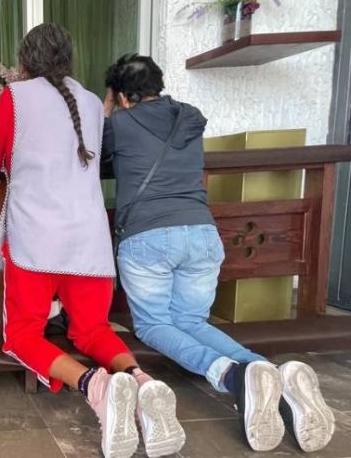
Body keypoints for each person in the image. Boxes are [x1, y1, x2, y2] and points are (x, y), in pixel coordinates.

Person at [102, 53, 335, 453]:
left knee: (154, 325)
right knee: (191, 321)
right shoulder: (189, 116)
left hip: (149, 237)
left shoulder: (121, 123)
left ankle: (228, 375)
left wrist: (106, 111)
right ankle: (267, 371)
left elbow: (94, 152)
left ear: (123, 96)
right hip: (202, 234)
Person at [0, 23, 185, 458]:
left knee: (21, 336)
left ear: (24, 62)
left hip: (35, 243)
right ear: (69, 60)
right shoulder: (91, 102)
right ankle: (142, 382)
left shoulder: (16, 97)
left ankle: (96, 387)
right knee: (92, 330)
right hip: (89, 243)